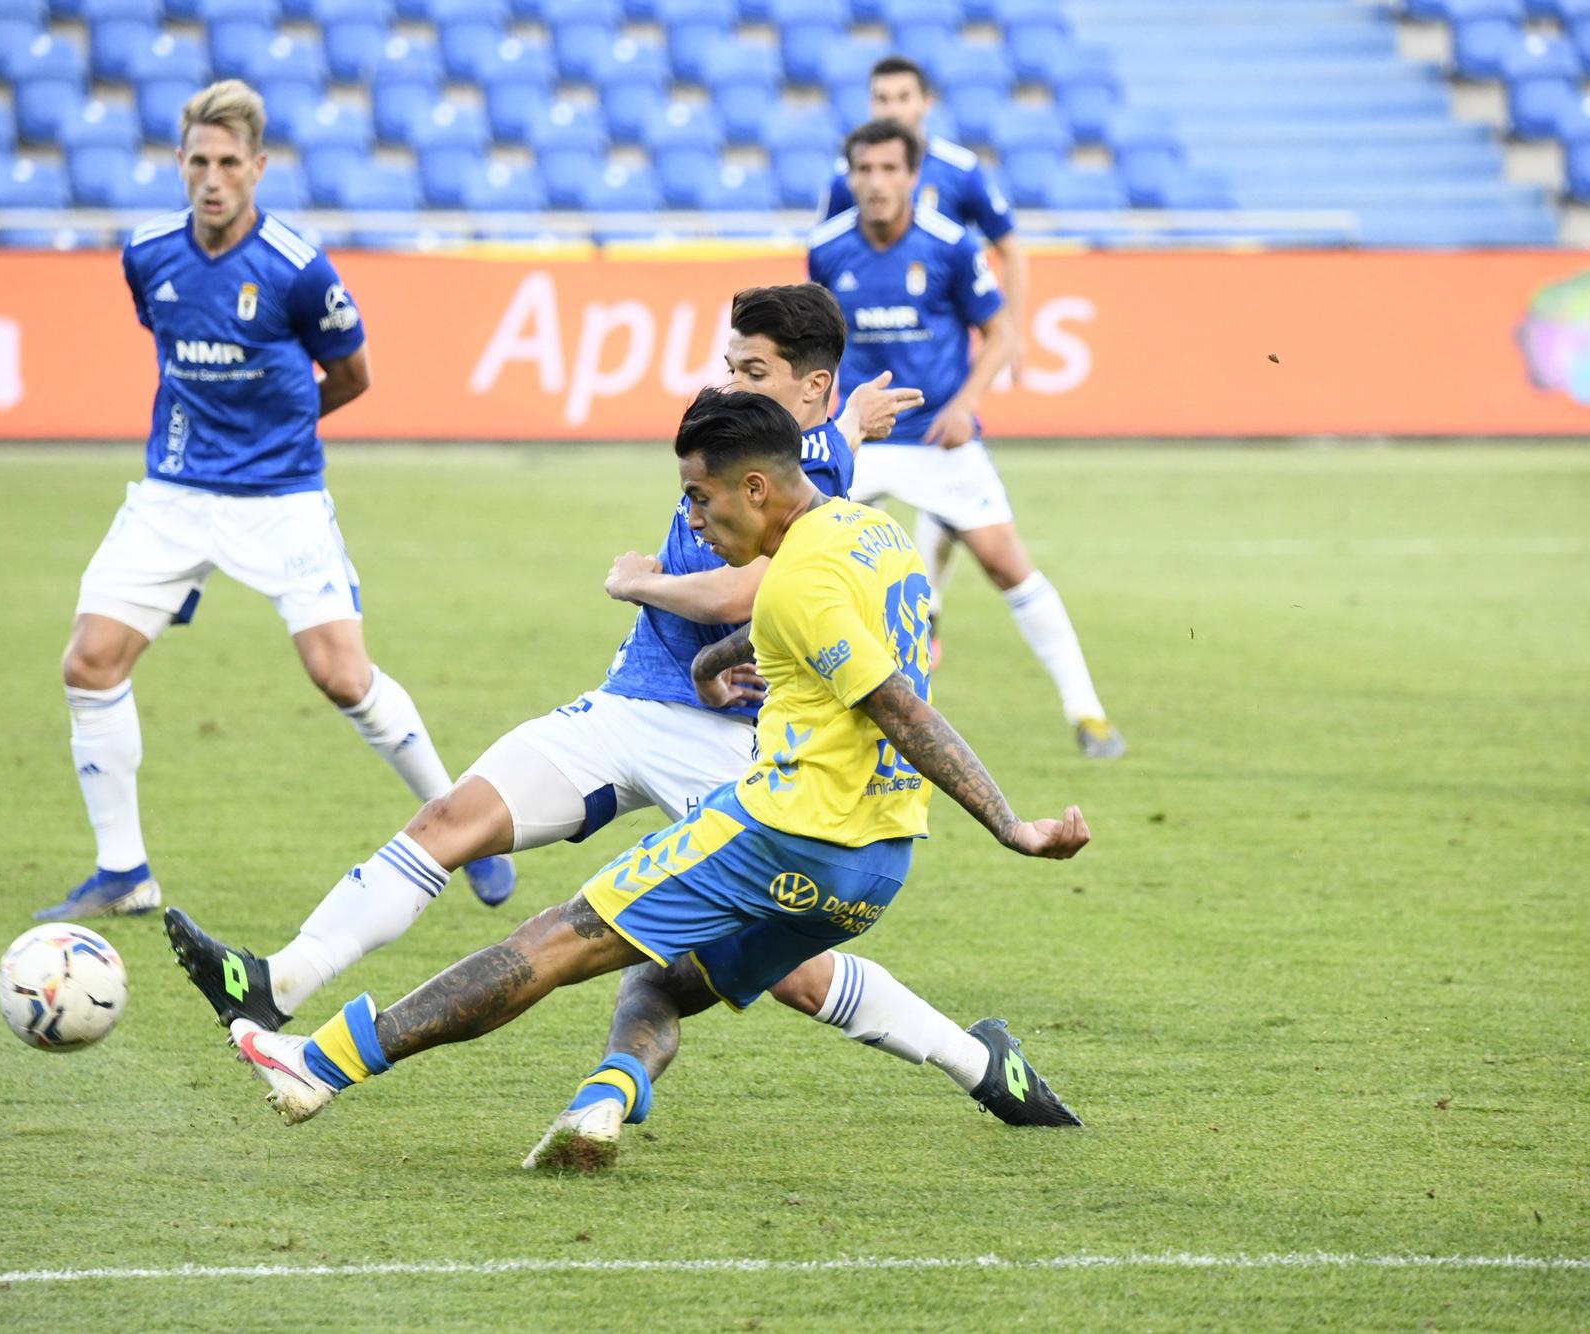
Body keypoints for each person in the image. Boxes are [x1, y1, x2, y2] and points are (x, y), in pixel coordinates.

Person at [165, 289, 1070, 1155]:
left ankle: (321, 1064)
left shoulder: (795, 522)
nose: (695, 514)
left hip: (769, 800)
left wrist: (1012, 827)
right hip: (850, 838)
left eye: (703, 499)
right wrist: (717, 665)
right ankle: (589, 1091)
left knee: (565, 943)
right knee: (638, 947)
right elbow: (777, 629)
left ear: (767, 466)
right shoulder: (865, 523)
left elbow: (867, 681)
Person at [40, 79, 511, 922]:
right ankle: (124, 872)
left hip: (279, 496)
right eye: (198, 161)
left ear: (258, 168)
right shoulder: (147, 254)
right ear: (179, 164)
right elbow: (168, 345)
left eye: (229, 162)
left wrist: (281, 435)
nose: (212, 178)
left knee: (341, 676)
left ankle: (461, 821)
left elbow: (355, 375)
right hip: (173, 493)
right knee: (89, 664)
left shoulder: (298, 270)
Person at [812, 119, 1125, 759]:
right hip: (858, 437)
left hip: (938, 440)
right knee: (790, 560)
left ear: (912, 176)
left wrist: (965, 404)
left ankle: (1087, 713)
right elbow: (817, 345)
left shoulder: (951, 245)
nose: (875, 182)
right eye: (864, 170)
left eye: (889, 169)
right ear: (849, 176)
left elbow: (1002, 333)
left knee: (1007, 562)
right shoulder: (826, 248)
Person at [821, 54, 1029, 670]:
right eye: (880, 99)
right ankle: (914, 603)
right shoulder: (851, 178)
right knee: (852, 512)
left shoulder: (961, 172)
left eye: (901, 98)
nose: (891, 109)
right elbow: (834, 269)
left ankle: (926, 598)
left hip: (942, 348)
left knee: (949, 476)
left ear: (924, 103)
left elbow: (1008, 248)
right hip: (875, 359)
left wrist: (1011, 331)